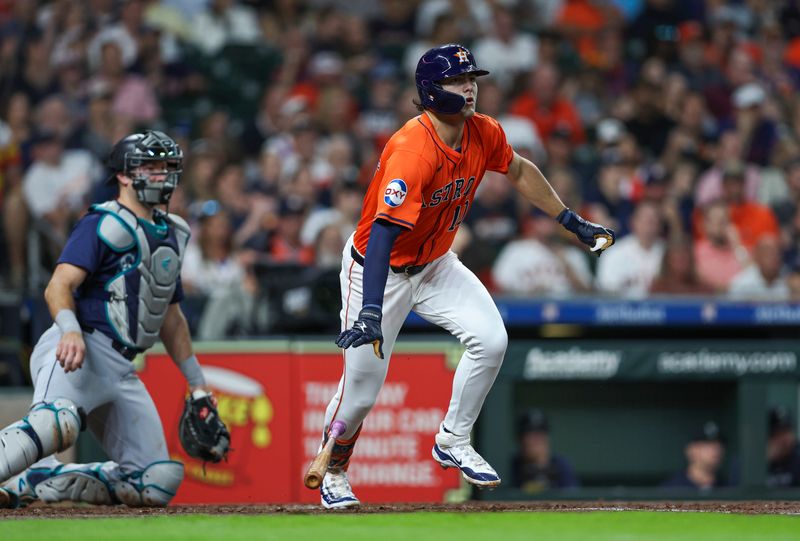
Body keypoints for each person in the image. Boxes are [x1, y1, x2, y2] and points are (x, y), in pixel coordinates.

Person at [319, 44, 615, 509]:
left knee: (492, 340)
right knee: (360, 393)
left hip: (436, 262)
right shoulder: (411, 151)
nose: (470, 87)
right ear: (431, 91)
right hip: (379, 270)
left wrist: (570, 220)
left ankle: (453, 438)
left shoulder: (483, 131)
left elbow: (517, 169)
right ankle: (334, 471)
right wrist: (371, 310)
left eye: (471, 78)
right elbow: (381, 236)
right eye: (459, 81)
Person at [0, 131, 227, 509]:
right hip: (78, 350)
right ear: (124, 174)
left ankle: (42, 480)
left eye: (167, 166)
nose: (161, 174)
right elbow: (58, 286)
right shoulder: (102, 222)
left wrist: (198, 387)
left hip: (121, 366)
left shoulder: (175, 232)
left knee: (155, 482)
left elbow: (171, 319)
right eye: (151, 166)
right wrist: (69, 331)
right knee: (57, 424)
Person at [511, 409, 579, 492]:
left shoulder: (561, 466)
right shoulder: (511, 467)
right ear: (520, 439)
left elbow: (571, 499)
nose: (537, 439)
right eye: (530, 433)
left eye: (541, 433)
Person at [661, 421, 727, 492]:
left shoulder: (729, 487)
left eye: (719, 445)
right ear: (691, 450)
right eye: (708, 445)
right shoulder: (671, 489)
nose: (716, 450)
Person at [767, 407, 800, 488]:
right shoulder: (756, 462)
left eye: (786, 431)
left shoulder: (798, 458)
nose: (784, 439)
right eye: (778, 433)